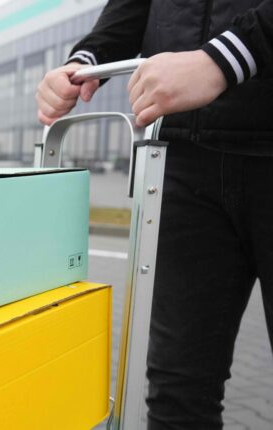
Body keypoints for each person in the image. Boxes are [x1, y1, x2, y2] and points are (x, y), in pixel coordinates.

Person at [36, 1, 273, 429]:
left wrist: (223, 59)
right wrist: (83, 63)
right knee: (177, 390)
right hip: (183, 159)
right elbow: (130, 12)